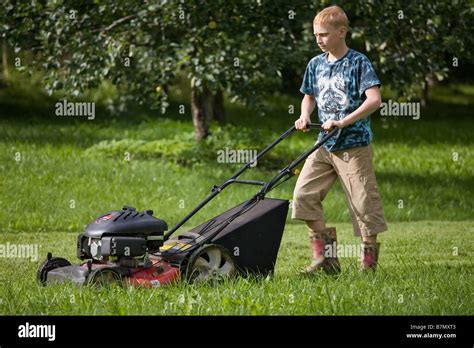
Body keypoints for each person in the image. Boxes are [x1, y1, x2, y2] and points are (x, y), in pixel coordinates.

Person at [292, 5, 388, 274]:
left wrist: (343, 121)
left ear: (341, 32)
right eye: (315, 35)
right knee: (303, 196)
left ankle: (367, 268)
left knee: (363, 206)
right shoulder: (316, 64)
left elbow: (374, 100)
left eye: (323, 34)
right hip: (324, 144)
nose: (318, 39)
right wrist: (303, 115)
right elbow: (309, 95)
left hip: (354, 146)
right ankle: (326, 260)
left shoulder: (359, 63)